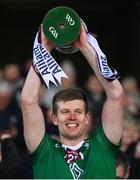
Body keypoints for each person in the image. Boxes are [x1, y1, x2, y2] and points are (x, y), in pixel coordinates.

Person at [21, 23, 124, 179]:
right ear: (54, 118)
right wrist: (44, 49)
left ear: (87, 117)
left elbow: (116, 94)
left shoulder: (104, 146)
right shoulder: (44, 151)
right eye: (65, 112)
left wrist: (84, 45)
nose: (72, 116)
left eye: (78, 111)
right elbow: (27, 101)